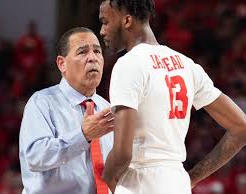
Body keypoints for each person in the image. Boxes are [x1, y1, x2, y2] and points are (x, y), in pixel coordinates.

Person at [99, 0, 246, 194]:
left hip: (139, 183)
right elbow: (241, 127)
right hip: (177, 181)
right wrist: (193, 177)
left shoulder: (128, 64)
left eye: (105, 21)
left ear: (127, 21)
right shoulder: (187, 65)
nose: (102, 31)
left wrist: (105, 181)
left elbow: (123, 154)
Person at [19, 27, 114, 194]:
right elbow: (34, 157)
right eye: (83, 52)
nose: (93, 58)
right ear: (62, 64)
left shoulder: (108, 108)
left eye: (97, 51)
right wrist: (83, 136)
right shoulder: (42, 103)